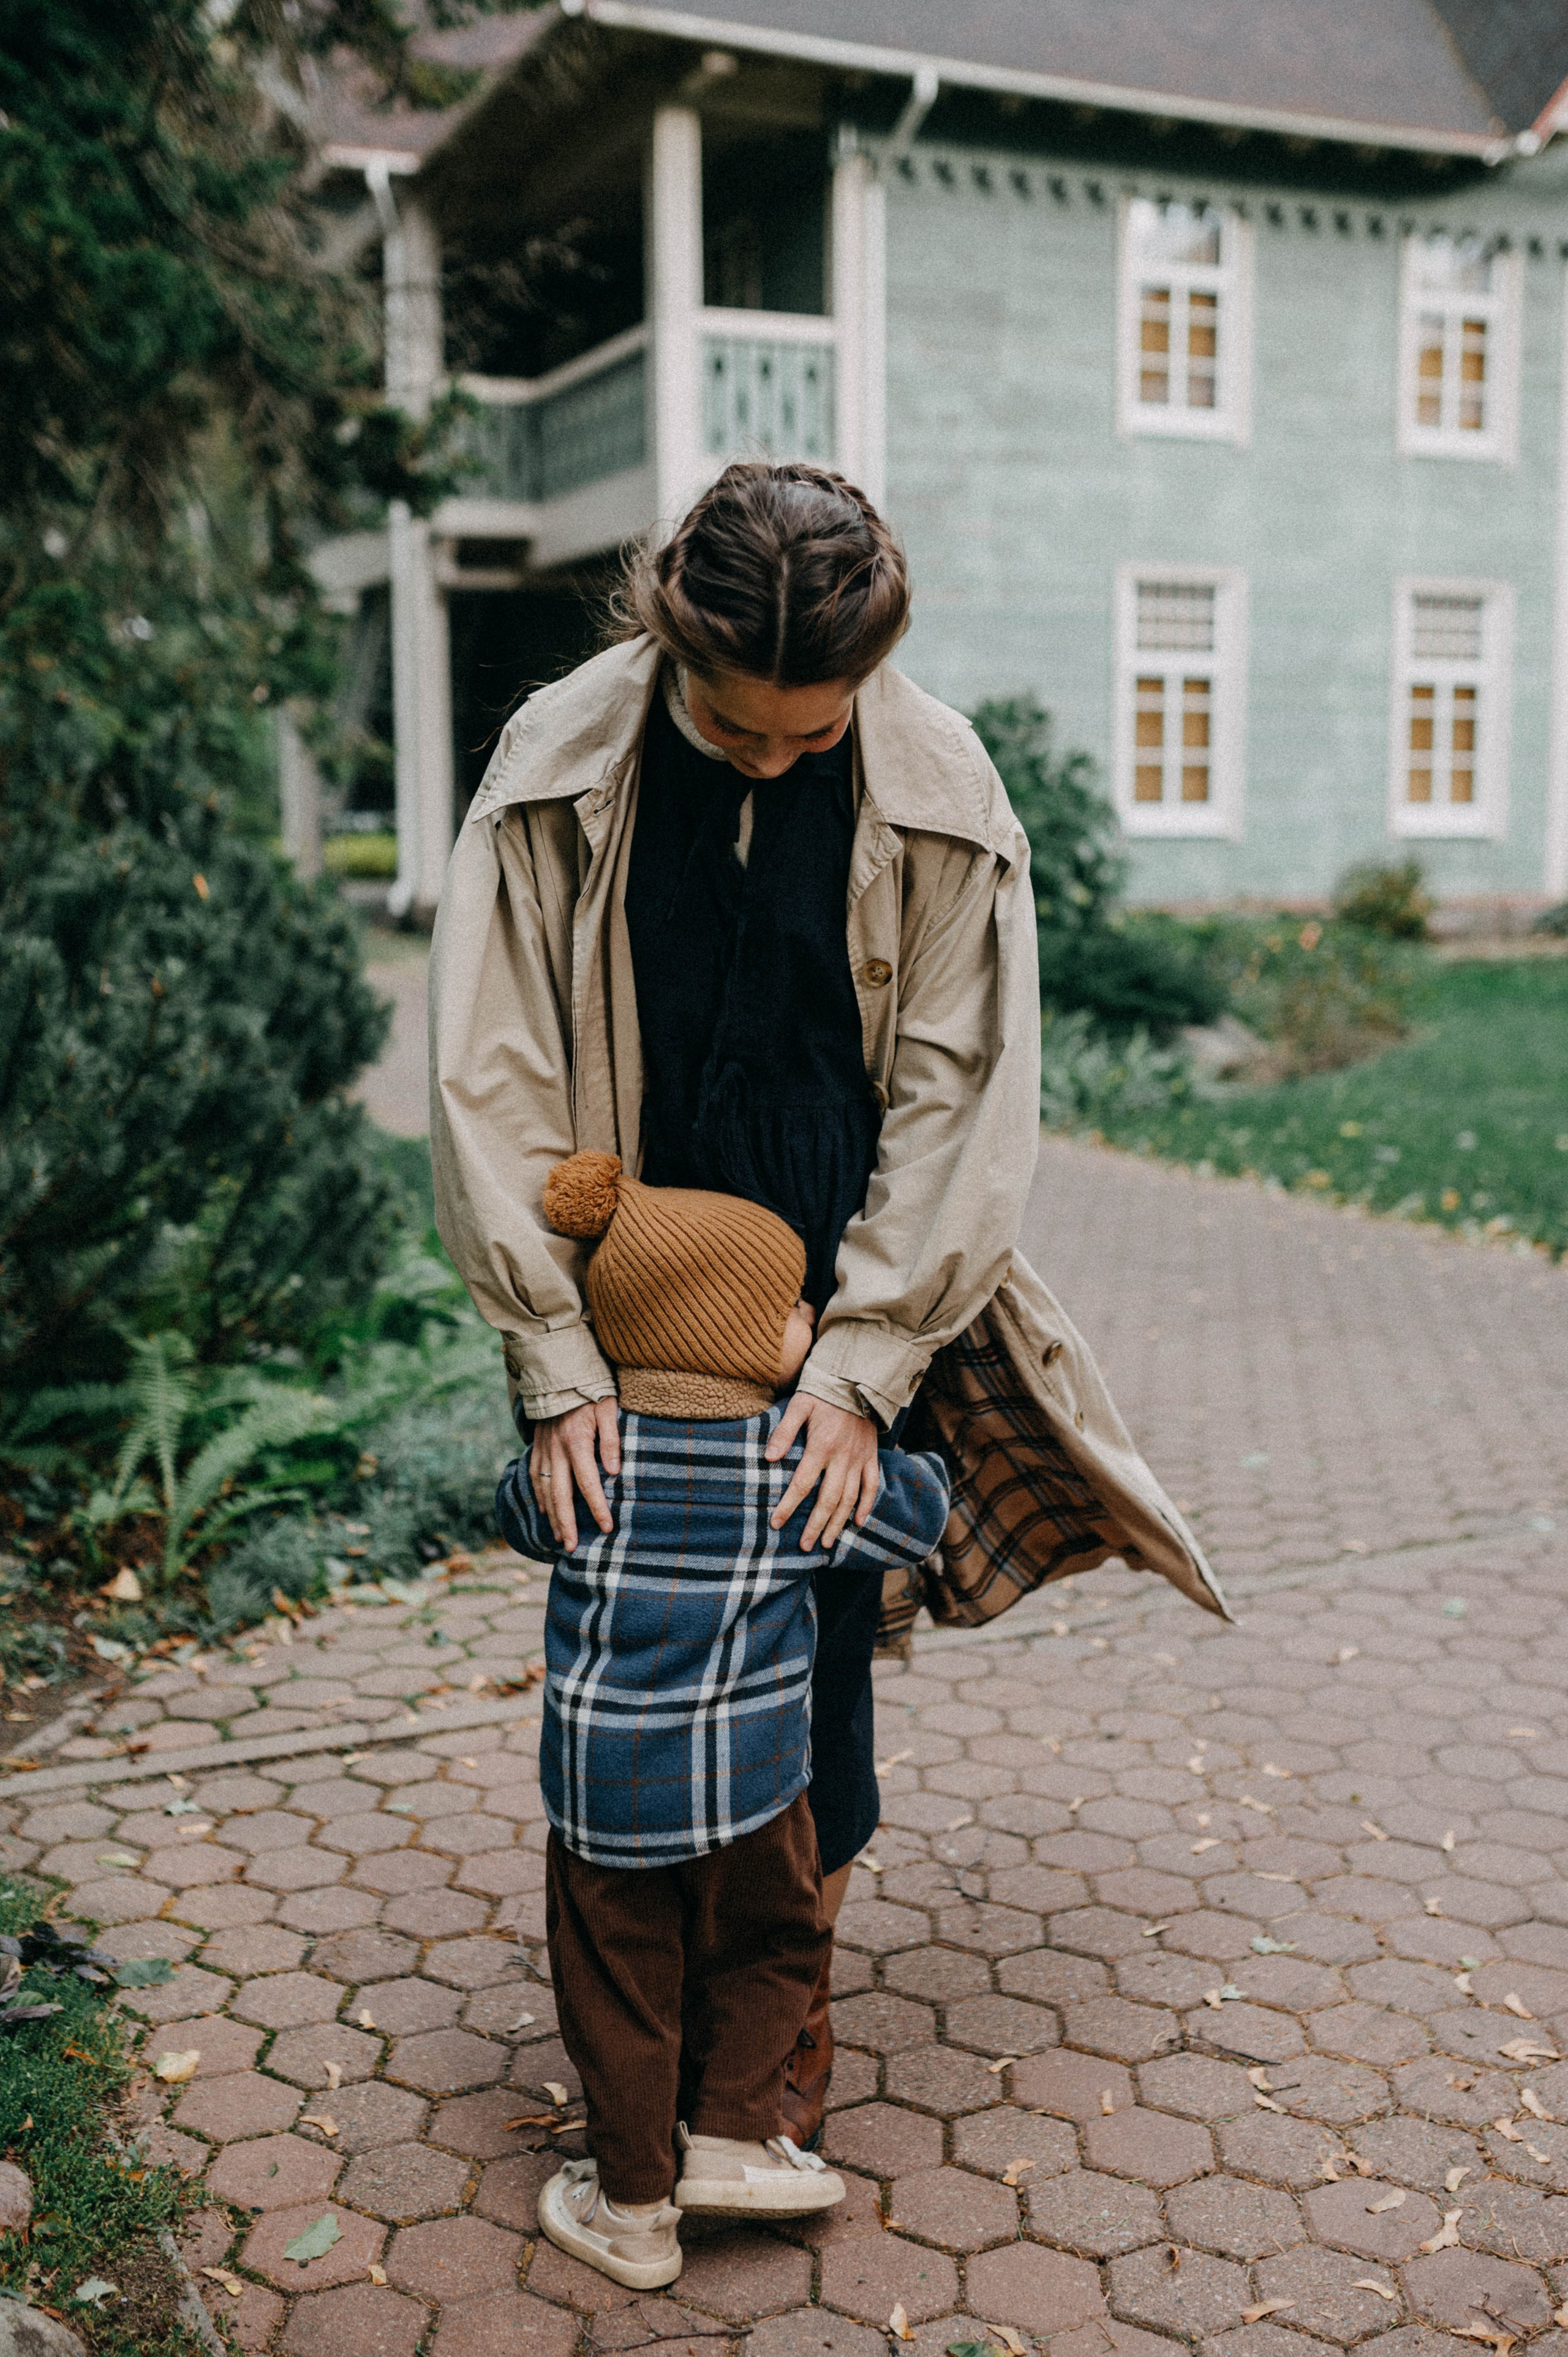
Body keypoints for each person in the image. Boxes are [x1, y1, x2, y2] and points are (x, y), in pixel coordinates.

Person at [431, 459, 1228, 2151]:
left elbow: (958, 1098)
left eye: (818, 731)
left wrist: (864, 1370)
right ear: (667, 643)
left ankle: (773, 2028)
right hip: (636, 1270)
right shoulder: (555, 765)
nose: (779, 759)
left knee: (819, 1643)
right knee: (641, 1637)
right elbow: (492, 1073)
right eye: (741, 729)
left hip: (836, 1279)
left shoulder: (944, 793)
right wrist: (553, 1360)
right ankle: (653, 1998)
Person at [492, 1149, 950, 2286]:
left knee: (619, 1990)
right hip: (755, 1787)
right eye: (790, 1306)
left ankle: (633, 2205)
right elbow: (918, 1518)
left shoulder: (588, 1456)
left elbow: (515, 1513)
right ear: (736, 1329)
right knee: (772, 1945)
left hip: (603, 1797)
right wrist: (880, 1434)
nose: (811, 1318)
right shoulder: (791, 1461)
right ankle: (739, 2136)